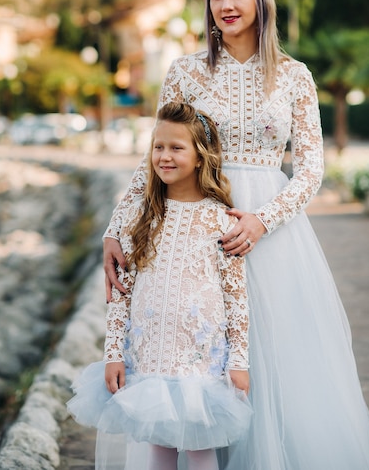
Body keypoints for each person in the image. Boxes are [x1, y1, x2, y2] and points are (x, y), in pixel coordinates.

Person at [101, 0, 369, 470]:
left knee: (267, 357)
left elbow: (311, 171)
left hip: (270, 231)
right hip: (191, 230)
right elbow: (155, 159)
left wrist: (262, 220)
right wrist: (113, 230)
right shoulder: (185, 73)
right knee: (196, 359)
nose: (227, 4)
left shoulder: (295, 76)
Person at [67, 102, 253, 470]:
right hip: (149, 353)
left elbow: (236, 297)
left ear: (201, 157)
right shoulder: (139, 217)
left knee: (200, 448)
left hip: (199, 356)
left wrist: (239, 360)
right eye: (158, 147)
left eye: (176, 148)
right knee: (158, 445)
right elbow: (121, 294)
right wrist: (113, 353)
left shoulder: (221, 220)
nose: (164, 157)